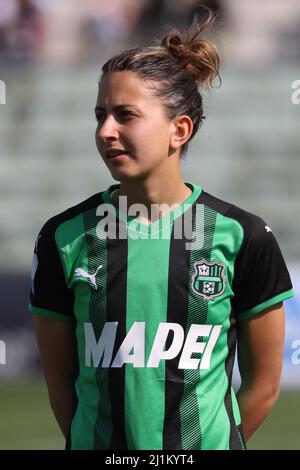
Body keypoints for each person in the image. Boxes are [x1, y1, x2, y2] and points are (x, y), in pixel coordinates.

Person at [29, 9, 293, 450]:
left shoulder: (243, 236)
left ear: (179, 130)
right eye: (100, 114)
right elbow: (61, 383)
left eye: (126, 115)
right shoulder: (63, 236)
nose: (106, 131)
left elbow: (263, 385)